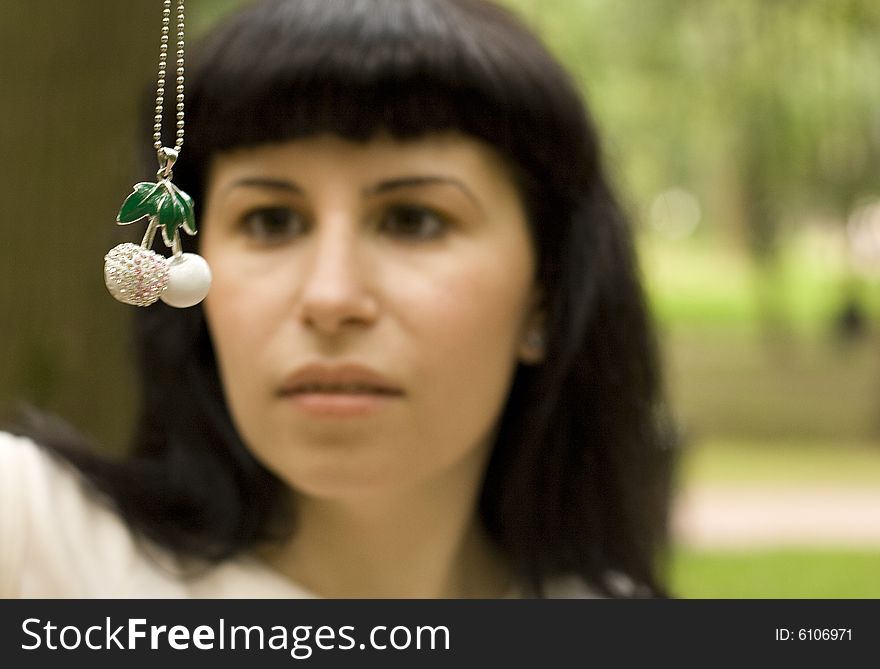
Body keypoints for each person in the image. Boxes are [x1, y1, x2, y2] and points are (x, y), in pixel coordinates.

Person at [0, 0, 675, 598]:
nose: (331, 297)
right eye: (271, 221)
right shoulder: (36, 542)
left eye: (413, 219)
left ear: (545, 296)